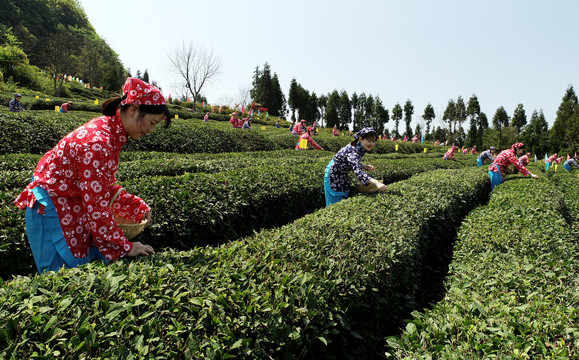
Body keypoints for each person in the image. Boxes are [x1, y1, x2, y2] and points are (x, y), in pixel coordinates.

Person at [13, 78, 169, 274]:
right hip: (51, 208)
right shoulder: (98, 142)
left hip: (68, 205)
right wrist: (126, 246)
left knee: (77, 275)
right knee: (58, 280)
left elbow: (101, 186)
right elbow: (96, 203)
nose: (151, 130)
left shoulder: (109, 133)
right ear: (134, 110)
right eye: (152, 122)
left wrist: (135, 206)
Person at [324, 127, 386, 206]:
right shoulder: (353, 150)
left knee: (342, 199)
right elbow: (358, 171)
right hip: (333, 175)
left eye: (374, 141)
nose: (372, 144)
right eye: (369, 141)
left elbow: (350, 162)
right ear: (361, 139)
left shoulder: (360, 148)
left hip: (341, 174)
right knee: (335, 203)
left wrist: (363, 166)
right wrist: (377, 183)